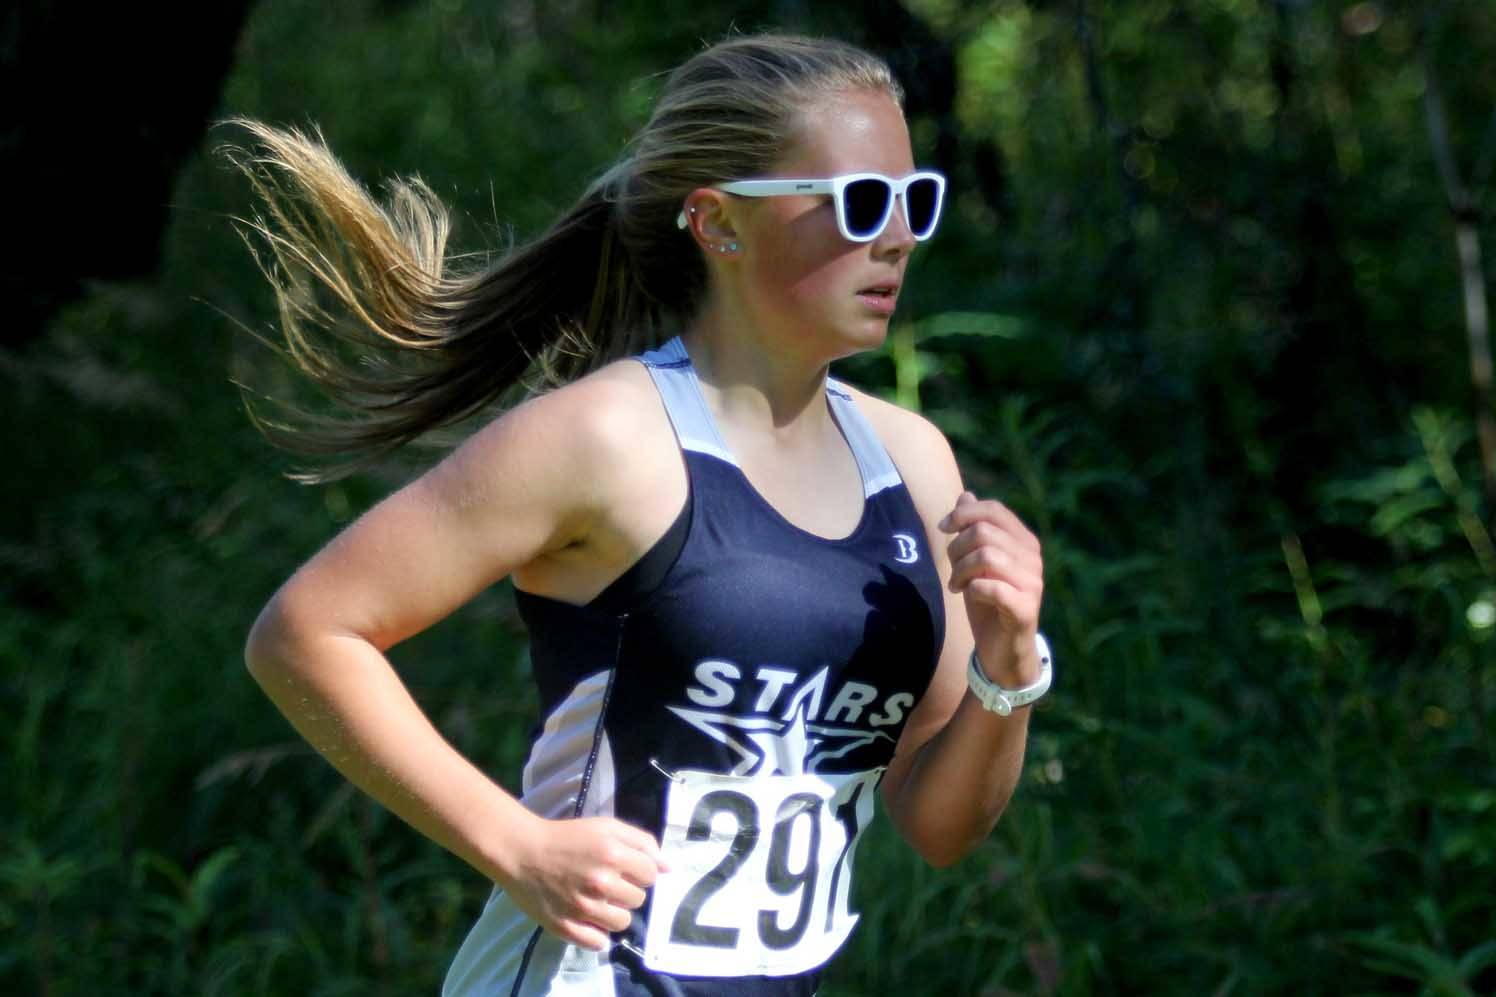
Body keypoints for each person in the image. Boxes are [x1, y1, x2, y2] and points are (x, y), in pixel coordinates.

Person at [227, 32, 1050, 997]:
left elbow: (939, 825)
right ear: (718, 222)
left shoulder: (913, 462)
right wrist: (517, 845)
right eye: (861, 202)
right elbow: (306, 630)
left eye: (916, 200)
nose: (900, 236)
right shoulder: (609, 436)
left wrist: (1010, 664)